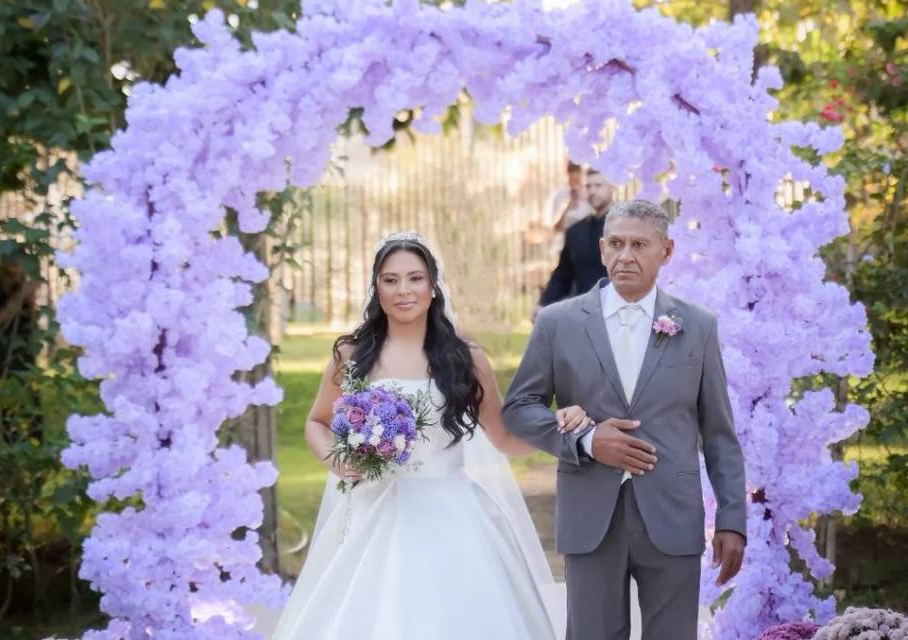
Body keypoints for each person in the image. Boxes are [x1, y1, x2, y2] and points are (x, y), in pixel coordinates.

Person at [269, 231, 596, 640]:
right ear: (376, 286)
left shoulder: (466, 358)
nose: (403, 290)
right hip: (376, 509)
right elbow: (317, 422)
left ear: (433, 286)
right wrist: (338, 460)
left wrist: (562, 428)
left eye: (415, 278)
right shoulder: (353, 356)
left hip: (454, 513)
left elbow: (505, 438)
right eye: (390, 280)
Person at [503, 200, 747, 640]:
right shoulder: (558, 323)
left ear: (666, 251)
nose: (626, 256)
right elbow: (519, 407)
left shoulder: (698, 326)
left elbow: (719, 434)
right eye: (616, 244)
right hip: (590, 517)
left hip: (672, 518)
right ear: (600, 249)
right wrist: (585, 441)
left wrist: (731, 519)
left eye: (639, 244)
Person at [532, 169, 615, 322]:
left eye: (598, 185)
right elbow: (563, 274)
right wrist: (543, 304)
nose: (592, 191)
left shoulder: (628, 228)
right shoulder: (575, 232)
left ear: (612, 186)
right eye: (588, 186)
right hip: (585, 315)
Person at [0, 253, 43, 443]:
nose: (17, 268)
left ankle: (36, 442)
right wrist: (19, 297)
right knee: (8, 398)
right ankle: (11, 443)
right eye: (14, 263)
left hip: (26, 351)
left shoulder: (23, 287)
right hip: (5, 352)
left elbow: (31, 320)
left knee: (32, 397)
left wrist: (30, 297)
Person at [546, 161, 591, 234]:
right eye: (570, 172)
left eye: (577, 171)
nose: (574, 175)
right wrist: (565, 208)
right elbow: (554, 228)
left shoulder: (589, 193)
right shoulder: (558, 195)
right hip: (565, 242)